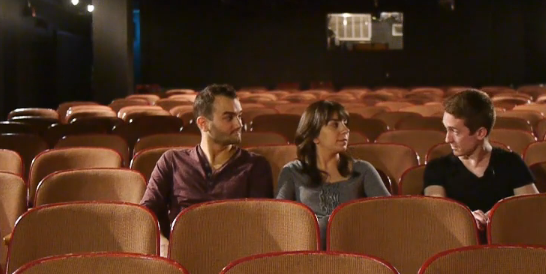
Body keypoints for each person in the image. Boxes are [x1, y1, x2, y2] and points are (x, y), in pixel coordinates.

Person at [140, 84, 273, 254]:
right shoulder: (172, 161)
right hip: (181, 255)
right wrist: (162, 243)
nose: (239, 124)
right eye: (229, 117)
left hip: (233, 257)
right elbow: (146, 213)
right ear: (203, 124)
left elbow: (260, 225)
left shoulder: (255, 166)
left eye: (239, 116)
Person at [276, 100, 390, 246]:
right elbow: (279, 220)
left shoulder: (363, 170)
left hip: (355, 248)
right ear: (314, 136)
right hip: (308, 250)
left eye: (345, 123)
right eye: (335, 125)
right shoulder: (292, 172)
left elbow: (388, 213)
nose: (345, 130)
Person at [423, 89, 538, 230]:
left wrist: (498, 214)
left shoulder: (511, 162)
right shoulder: (437, 168)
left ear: (480, 133)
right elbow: (436, 213)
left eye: (455, 131)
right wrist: (467, 219)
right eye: (447, 129)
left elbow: (532, 207)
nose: (447, 139)